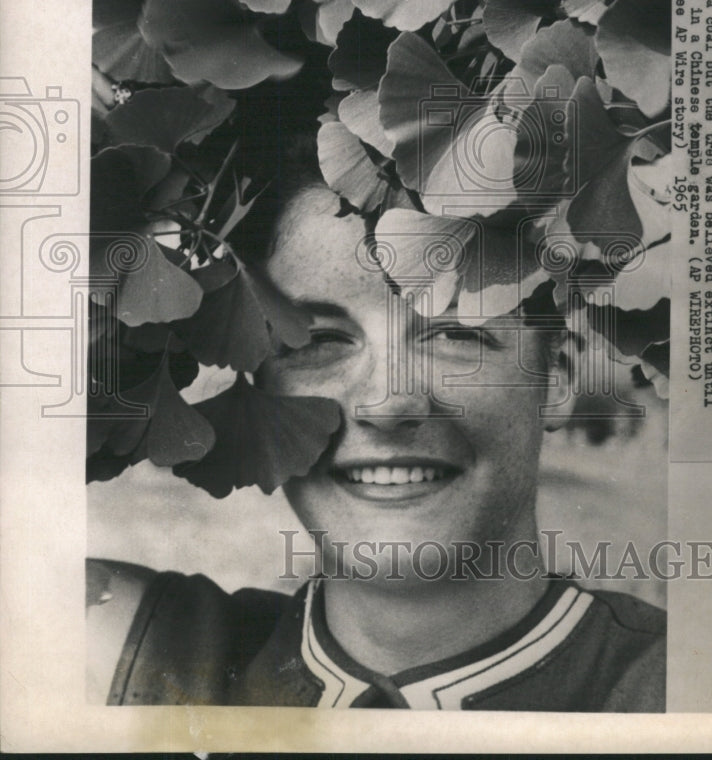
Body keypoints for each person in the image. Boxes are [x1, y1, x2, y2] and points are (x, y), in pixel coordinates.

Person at [87, 133, 666, 711]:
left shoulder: (682, 696)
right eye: (319, 340)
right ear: (255, 374)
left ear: (557, 377)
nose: (388, 403)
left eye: (456, 332)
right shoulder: (143, 659)